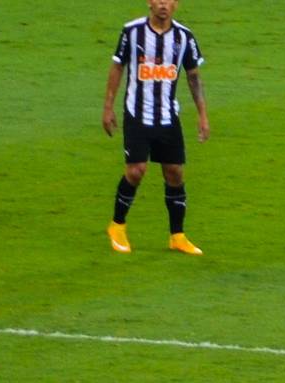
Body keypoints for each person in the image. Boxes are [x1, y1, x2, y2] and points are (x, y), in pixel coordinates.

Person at [102, 0, 210, 256]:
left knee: (175, 173)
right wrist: (108, 107)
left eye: (168, 0)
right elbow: (117, 67)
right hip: (137, 114)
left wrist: (202, 115)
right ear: (150, 2)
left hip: (168, 117)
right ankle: (117, 226)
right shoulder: (132, 31)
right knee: (136, 171)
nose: (163, 4)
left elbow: (193, 76)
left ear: (176, 4)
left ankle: (177, 236)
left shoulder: (184, 37)